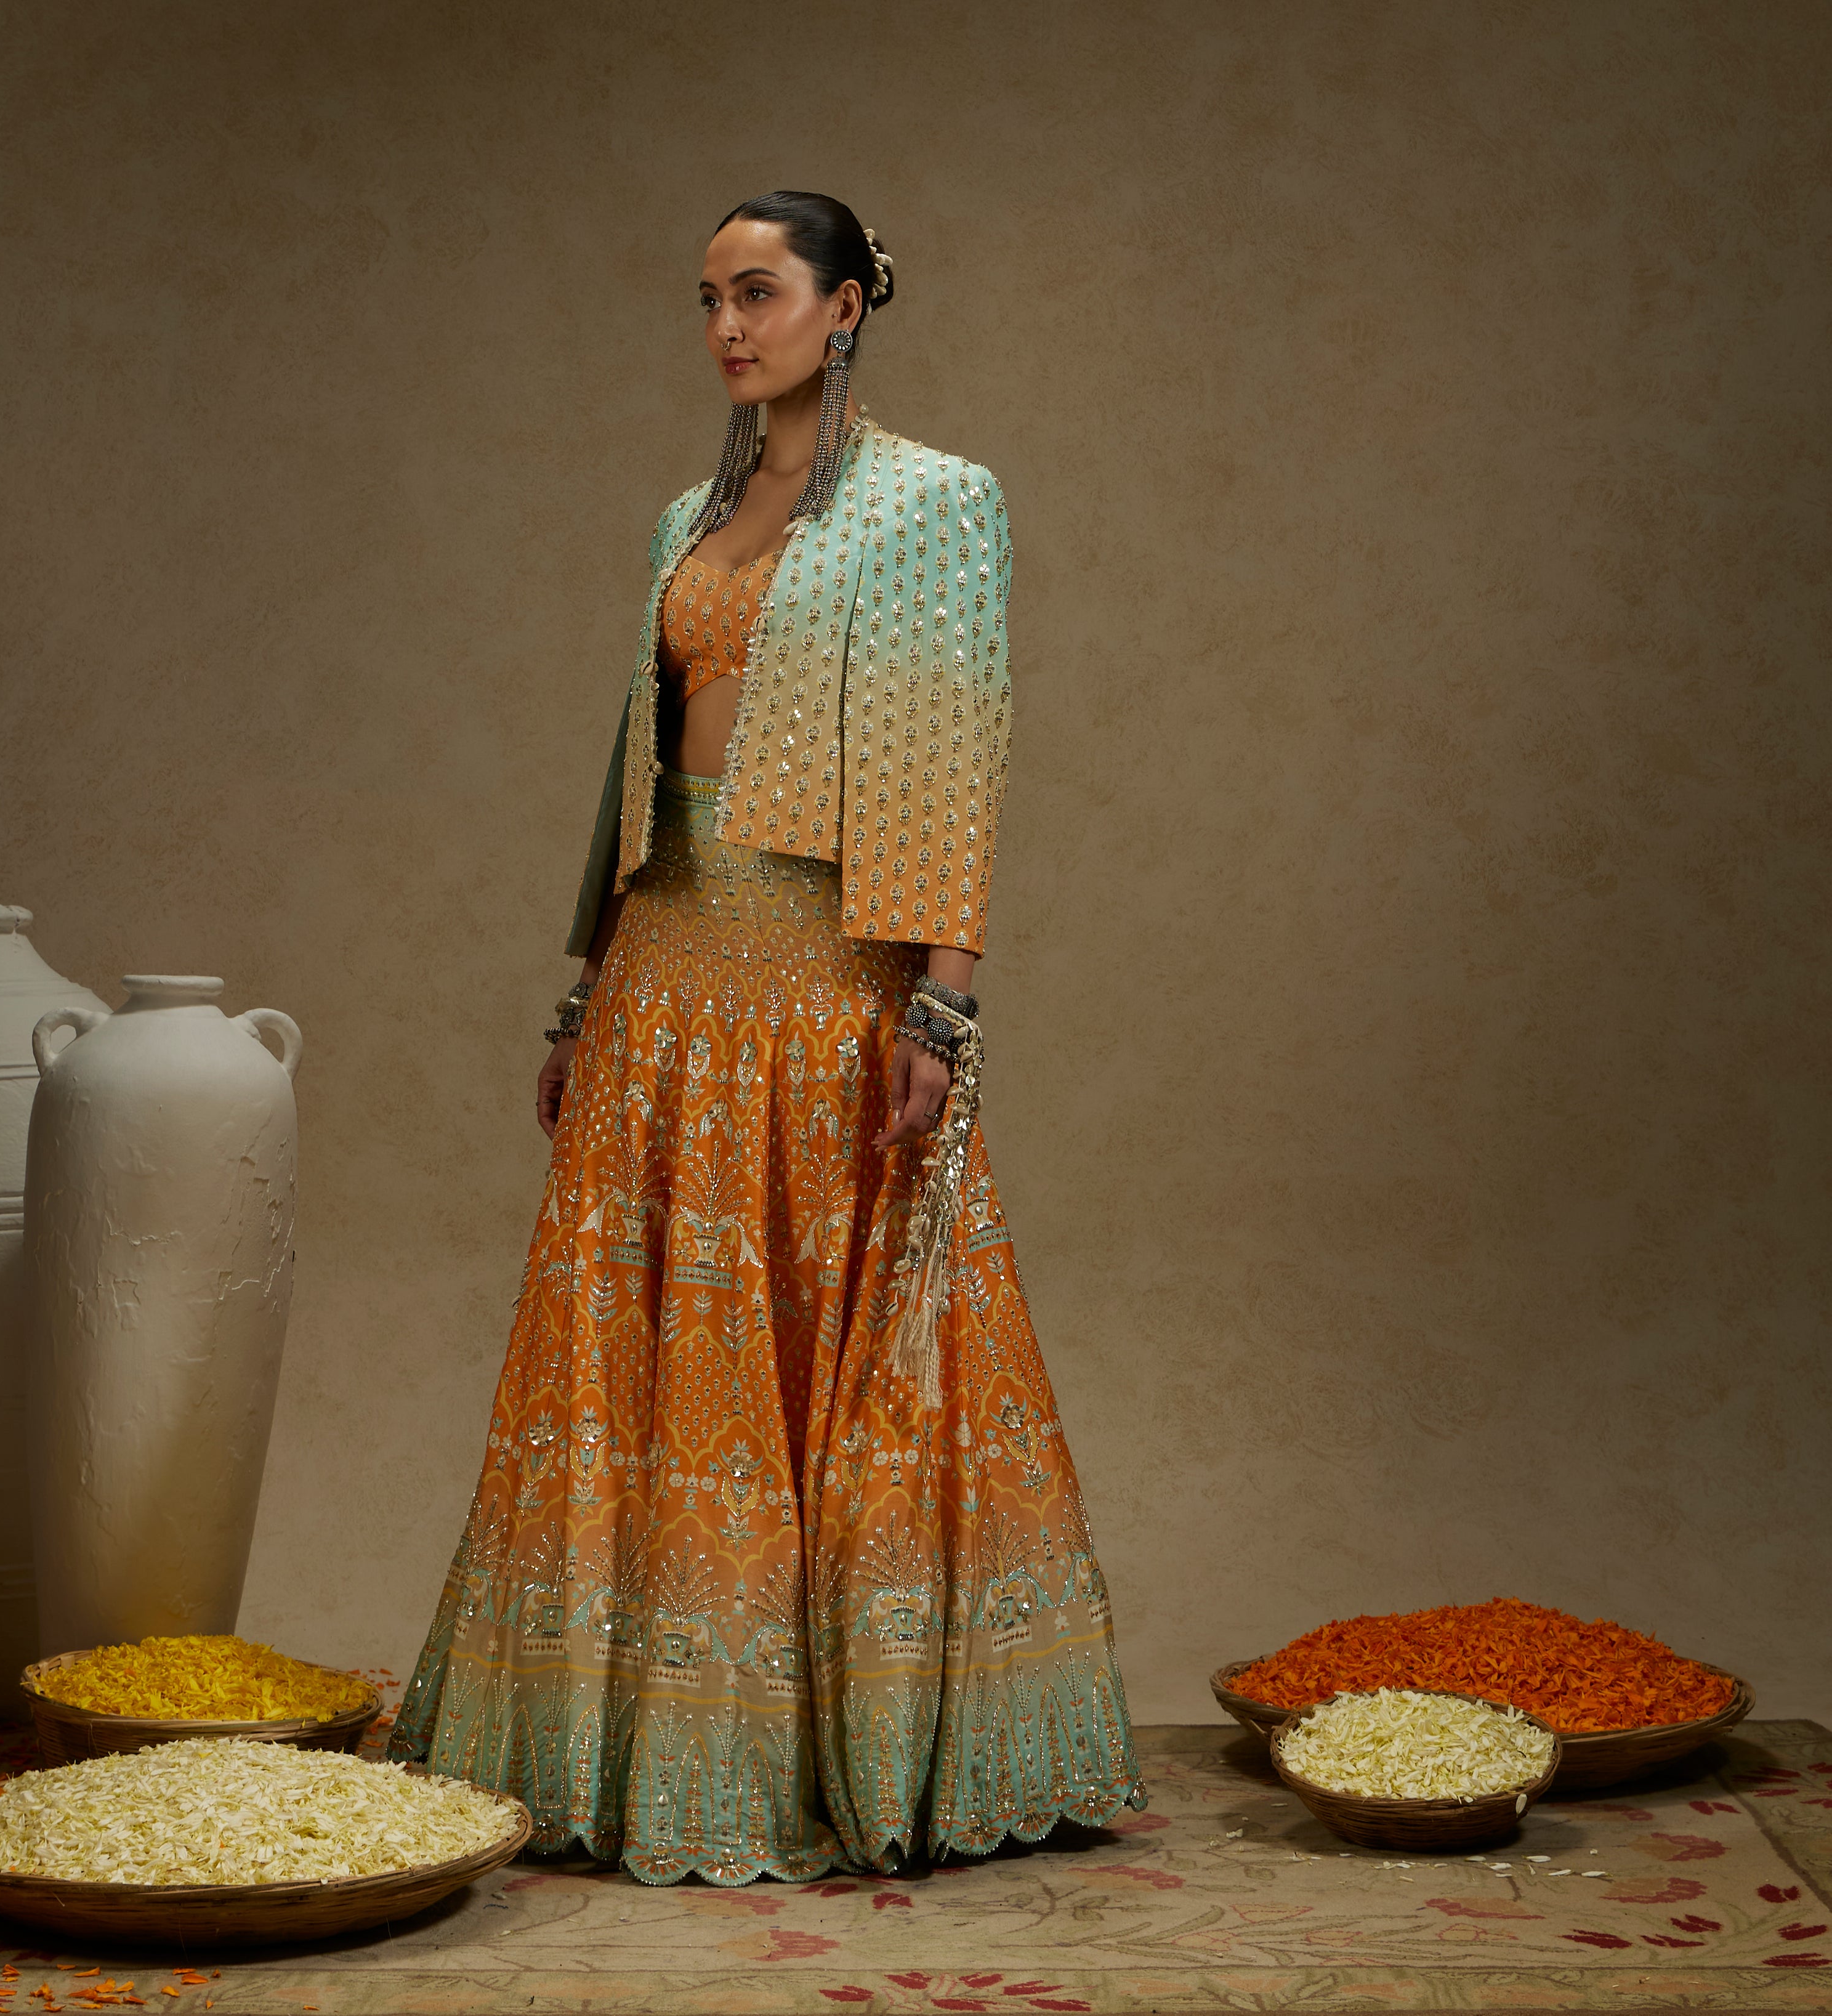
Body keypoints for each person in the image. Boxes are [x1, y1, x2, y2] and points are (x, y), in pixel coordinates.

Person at [388, 190, 1143, 1884]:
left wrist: (940, 1000)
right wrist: (583, 985)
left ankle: (852, 1749)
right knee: (644, 1349)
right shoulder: (688, 515)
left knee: (837, 1345)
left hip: (822, 968)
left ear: (848, 303)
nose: (730, 326)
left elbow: (960, 749)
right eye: (709, 299)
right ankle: (634, 1744)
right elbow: (642, 766)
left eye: (762, 291)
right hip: (667, 963)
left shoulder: (937, 504)